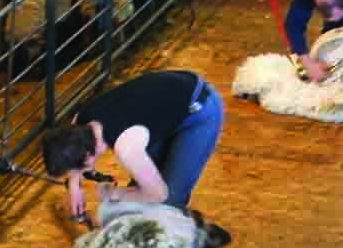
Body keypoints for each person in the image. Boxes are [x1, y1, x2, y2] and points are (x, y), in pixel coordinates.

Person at [42, 69, 224, 220]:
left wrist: (112, 194)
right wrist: (75, 186)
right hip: (168, 95)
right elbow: (72, 152)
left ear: (88, 158)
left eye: (76, 169)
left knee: (168, 202)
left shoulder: (126, 147)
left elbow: (159, 194)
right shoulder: (81, 121)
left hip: (200, 107)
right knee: (137, 194)